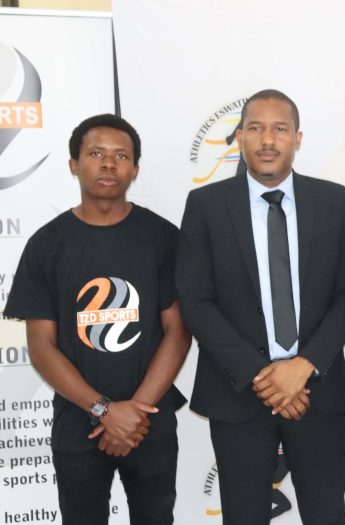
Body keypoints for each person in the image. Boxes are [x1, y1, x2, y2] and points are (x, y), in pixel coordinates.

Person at [177, 89, 345, 525]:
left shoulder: (332, 201)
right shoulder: (206, 205)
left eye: (280, 129)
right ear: (240, 137)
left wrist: (304, 366)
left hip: (317, 392)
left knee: (327, 515)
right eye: (255, 128)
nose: (267, 140)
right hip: (238, 392)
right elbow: (196, 300)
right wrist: (263, 377)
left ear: (297, 138)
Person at [3, 114, 191, 524]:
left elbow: (178, 332)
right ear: (74, 164)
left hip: (149, 421)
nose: (109, 164)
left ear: (135, 170)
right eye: (96, 154)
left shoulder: (163, 237)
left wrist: (134, 413)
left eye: (121, 156)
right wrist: (106, 411)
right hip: (78, 423)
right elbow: (41, 347)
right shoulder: (46, 245)